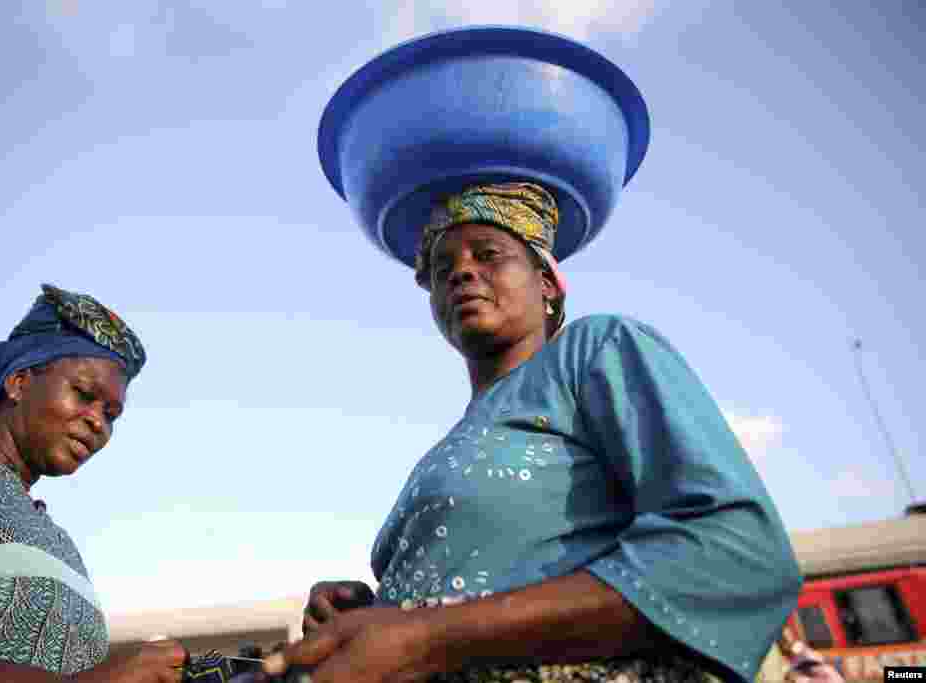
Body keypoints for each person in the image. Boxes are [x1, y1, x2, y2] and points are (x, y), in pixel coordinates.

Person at [266, 183, 803, 683]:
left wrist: (429, 636)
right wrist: (372, 613)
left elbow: (733, 553)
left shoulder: (595, 348)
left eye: (487, 254)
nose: (460, 273)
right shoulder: (451, 445)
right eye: (441, 267)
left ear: (546, 282)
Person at [0, 284, 187, 682]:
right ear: (18, 381)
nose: (98, 422)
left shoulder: (60, 543)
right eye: (85, 394)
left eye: (112, 414)